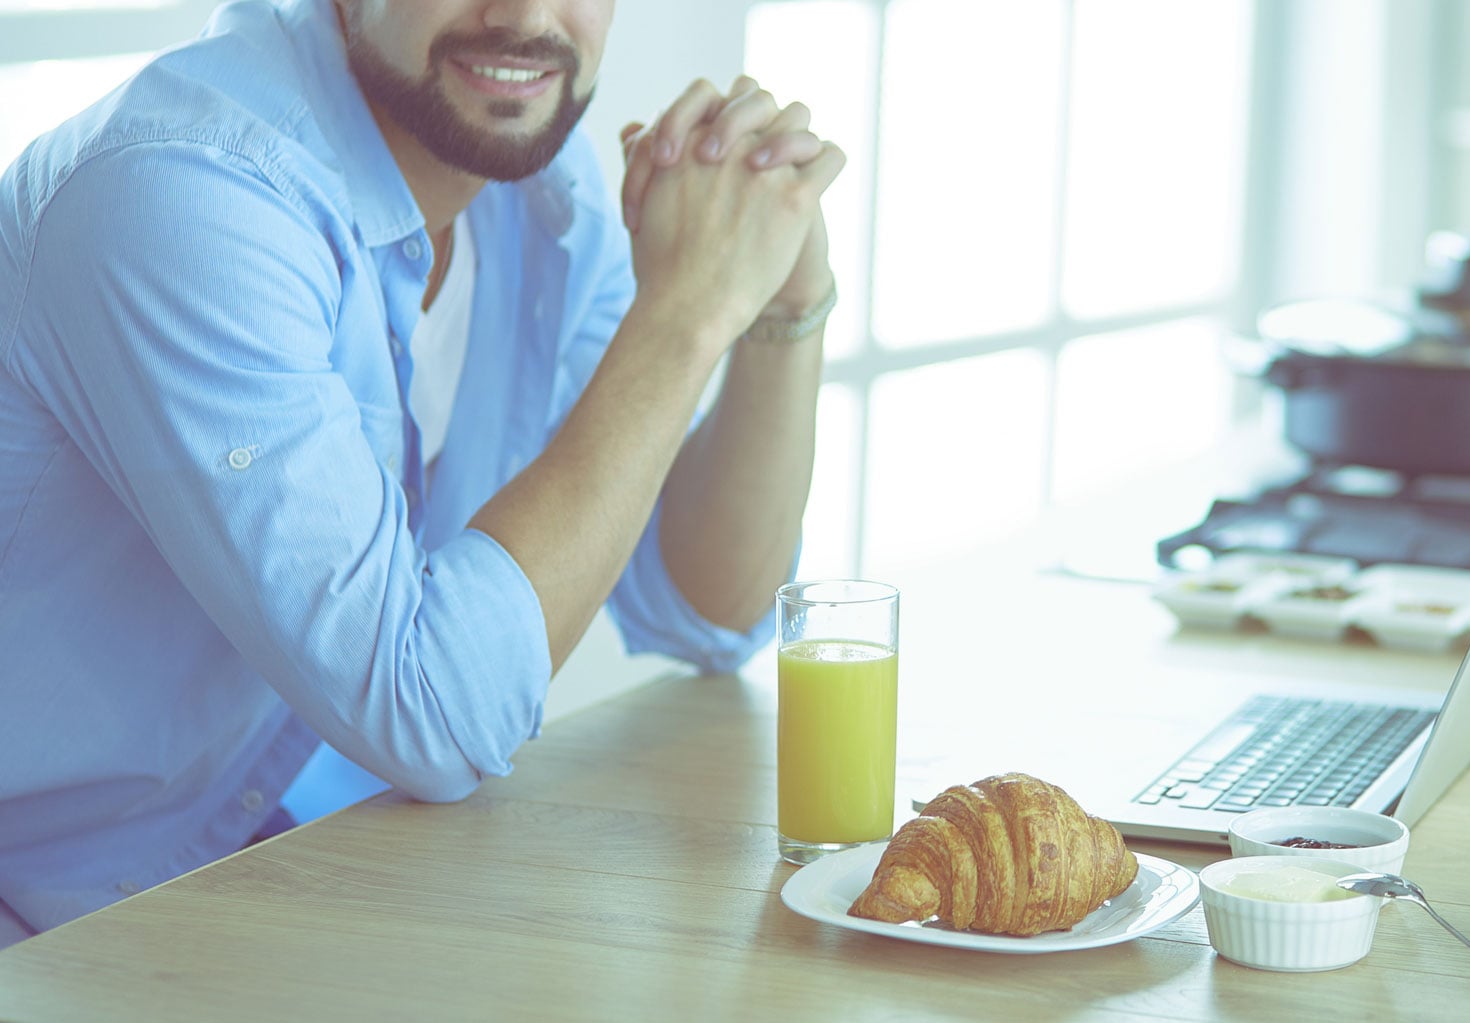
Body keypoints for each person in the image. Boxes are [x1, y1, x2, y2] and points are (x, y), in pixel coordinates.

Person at [0, 0, 843, 947]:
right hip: (48, 936)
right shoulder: (184, 195)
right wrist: (686, 313)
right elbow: (430, 718)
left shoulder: (531, 182)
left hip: (295, 892)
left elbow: (704, 607)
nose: (524, 17)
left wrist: (780, 308)